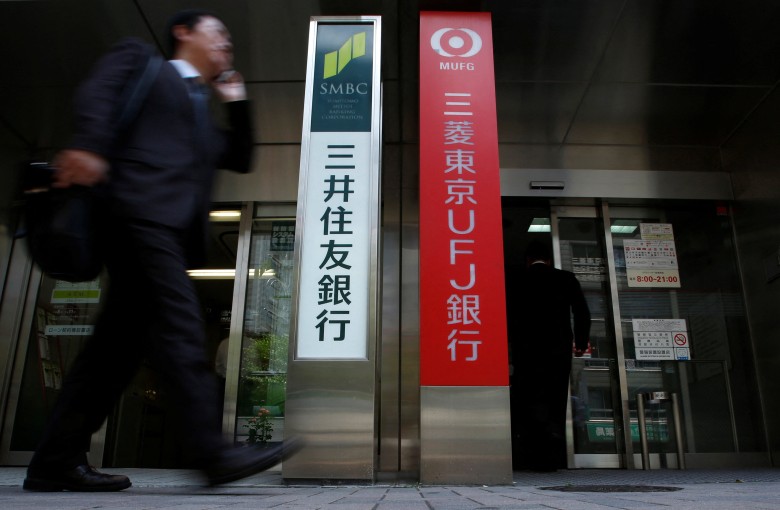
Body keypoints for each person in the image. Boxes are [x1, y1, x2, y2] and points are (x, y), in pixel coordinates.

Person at [24, 10, 298, 492]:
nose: (226, 46)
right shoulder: (142, 63)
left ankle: (55, 459)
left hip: (167, 233)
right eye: (220, 34)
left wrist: (235, 101)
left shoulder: (201, 115)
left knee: (112, 355)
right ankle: (210, 454)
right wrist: (89, 145)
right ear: (183, 32)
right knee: (179, 325)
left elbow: (240, 155)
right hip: (135, 215)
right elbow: (98, 93)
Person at [507, 240, 590, 471]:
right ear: (550, 260)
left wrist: (508, 347)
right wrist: (580, 342)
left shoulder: (516, 280)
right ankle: (552, 458)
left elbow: (508, 316)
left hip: (526, 352)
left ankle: (526, 457)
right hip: (558, 350)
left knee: (527, 400)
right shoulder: (566, 278)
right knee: (555, 400)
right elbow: (582, 312)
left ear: (527, 260)